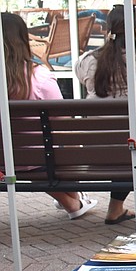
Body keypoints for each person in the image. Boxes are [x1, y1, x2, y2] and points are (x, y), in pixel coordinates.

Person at [1, 12, 98, 220]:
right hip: (39, 161)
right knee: (62, 144)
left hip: (4, 161)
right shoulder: (40, 78)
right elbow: (63, 126)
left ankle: (74, 202)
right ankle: (73, 201)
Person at [75, 4, 136, 224]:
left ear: (108, 32)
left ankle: (115, 209)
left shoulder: (88, 61)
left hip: (98, 151)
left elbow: (81, 78)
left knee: (120, 140)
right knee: (132, 141)